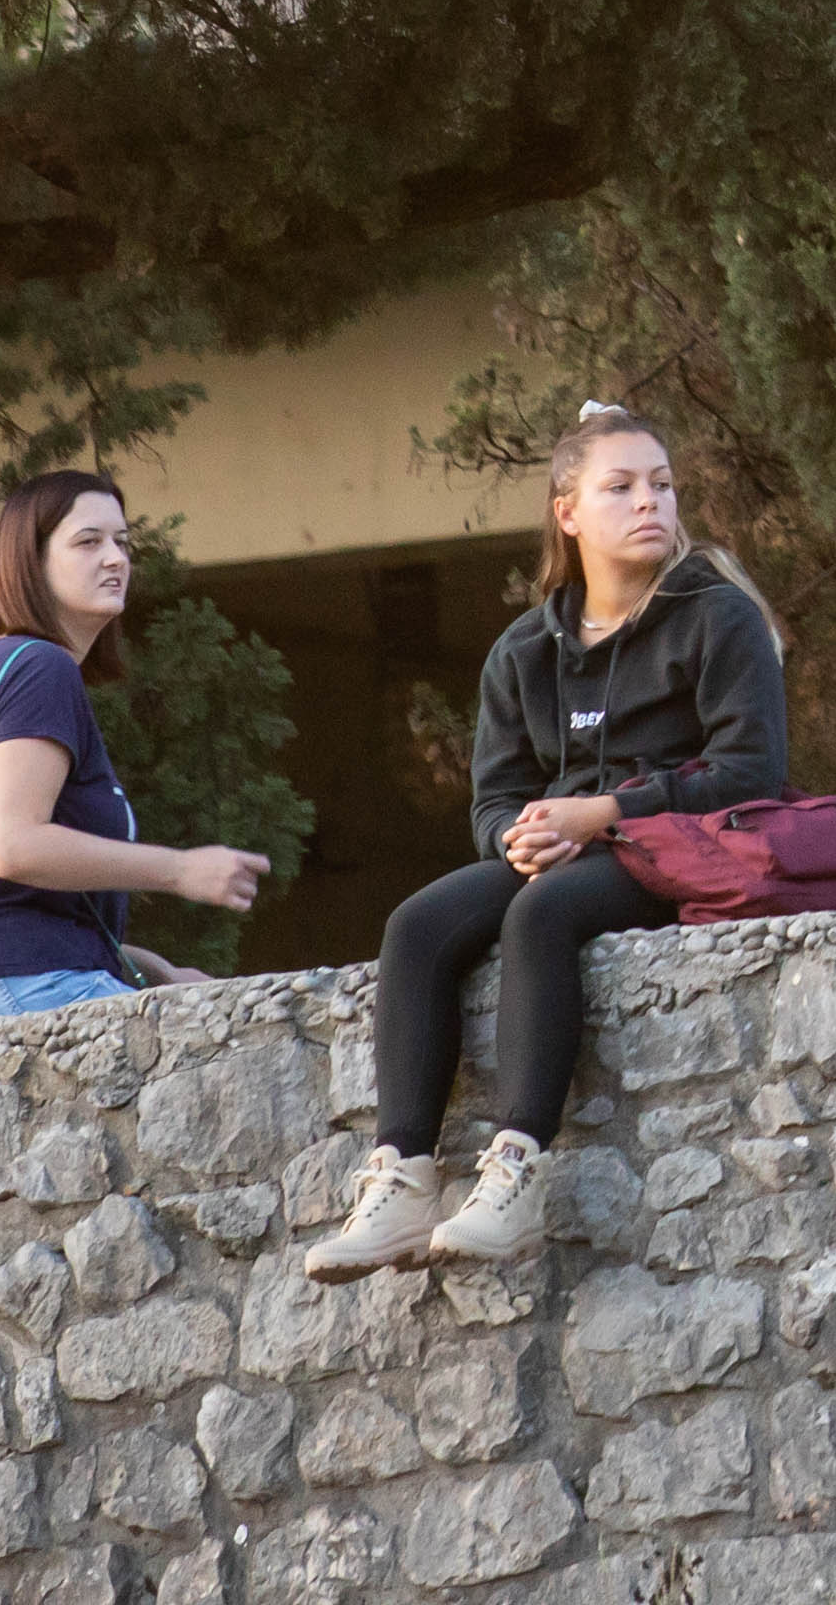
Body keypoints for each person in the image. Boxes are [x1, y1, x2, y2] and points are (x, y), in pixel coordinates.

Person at [304, 404, 795, 1280]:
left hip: (683, 846)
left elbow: (751, 771)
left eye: (663, 484)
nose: (650, 502)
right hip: (568, 850)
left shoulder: (717, 616)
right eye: (621, 487)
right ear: (567, 511)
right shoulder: (525, 650)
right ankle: (403, 1180)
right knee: (417, 925)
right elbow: (494, 800)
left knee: (543, 916)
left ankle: (517, 1175)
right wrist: (521, 838)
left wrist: (606, 814)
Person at [0, 472, 271, 1036]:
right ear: (31, 562)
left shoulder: (10, 664)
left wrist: (158, 971)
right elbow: (13, 846)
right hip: (19, 987)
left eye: (123, 542)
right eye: (88, 542)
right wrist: (181, 870)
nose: (116, 559)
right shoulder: (37, 665)